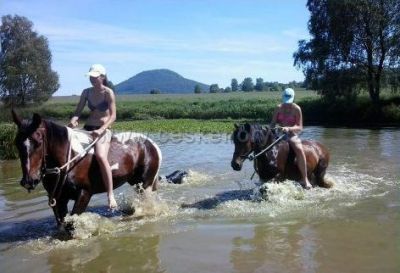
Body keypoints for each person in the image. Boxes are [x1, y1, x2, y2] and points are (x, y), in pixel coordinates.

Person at [68, 64, 118, 209]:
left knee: (101, 156)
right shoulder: (86, 92)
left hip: (103, 130)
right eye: (90, 76)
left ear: (102, 77)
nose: (91, 79)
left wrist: (102, 129)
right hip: (88, 128)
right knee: (69, 145)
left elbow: (113, 116)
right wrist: (73, 120)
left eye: (94, 77)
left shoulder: (108, 92)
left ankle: (110, 195)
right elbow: (78, 111)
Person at [270, 88, 312, 189]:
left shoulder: (297, 109)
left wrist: (288, 128)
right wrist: (270, 129)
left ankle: (305, 179)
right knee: (266, 147)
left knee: (299, 148)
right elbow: (272, 123)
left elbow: (300, 127)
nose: (287, 103)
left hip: (292, 134)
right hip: (278, 133)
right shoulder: (278, 108)